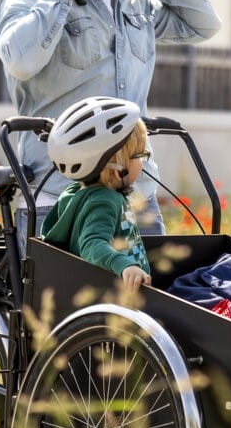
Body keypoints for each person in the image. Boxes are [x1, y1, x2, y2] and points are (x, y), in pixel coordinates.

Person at [0, 0, 222, 250]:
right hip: (59, 200)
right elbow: (21, 60)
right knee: (65, 312)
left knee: (151, 308)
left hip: (138, 195)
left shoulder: (134, 0)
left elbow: (204, 25)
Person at [41, 97, 153, 292]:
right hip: (121, 293)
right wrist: (124, 265)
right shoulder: (105, 201)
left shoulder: (76, 192)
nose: (143, 163)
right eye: (140, 156)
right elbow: (92, 243)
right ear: (119, 169)